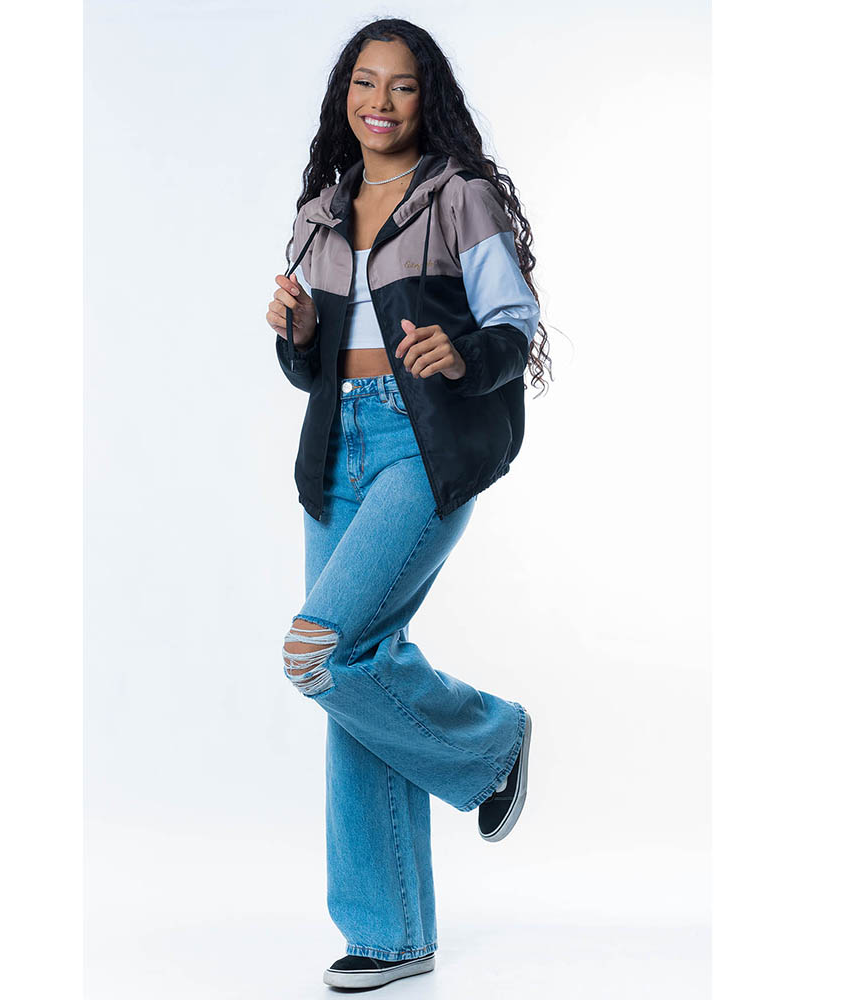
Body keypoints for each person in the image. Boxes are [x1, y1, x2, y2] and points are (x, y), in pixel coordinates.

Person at [265, 18, 552, 991]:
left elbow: (514, 322)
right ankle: (390, 937)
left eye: (400, 85)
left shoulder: (457, 195)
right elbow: (308, 367)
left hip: (418, 445)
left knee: (319, 650)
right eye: (364, 82)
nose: (379, 103)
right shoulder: (321, 211)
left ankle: (489, 742)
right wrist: (299, 331)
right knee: (352, 679)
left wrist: (460, 352)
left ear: (427, 99)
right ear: (344, 94)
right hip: (333, 451)